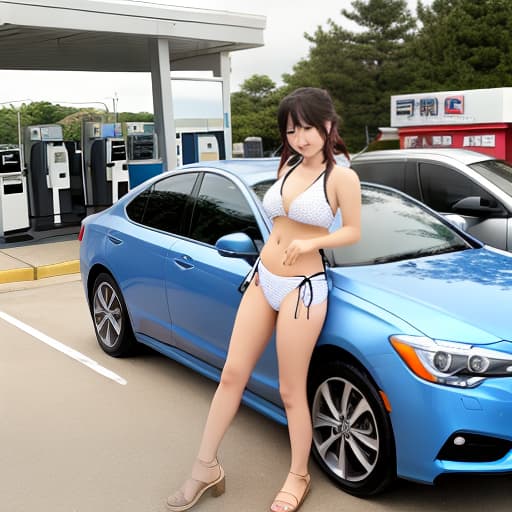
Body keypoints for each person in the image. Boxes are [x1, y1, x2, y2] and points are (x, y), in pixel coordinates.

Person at [167, 87, 361, 512]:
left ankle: (298, 476)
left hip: (303, 288)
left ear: (328, 125)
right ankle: (205, 467)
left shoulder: (341, 176)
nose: (300, 137)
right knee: (232, 373)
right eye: (292, 130)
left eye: (308, 127)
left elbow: (352, 232)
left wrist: (315, 244)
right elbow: (280, 221)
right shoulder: (288, 165)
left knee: (292, 390)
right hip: (264, 277)